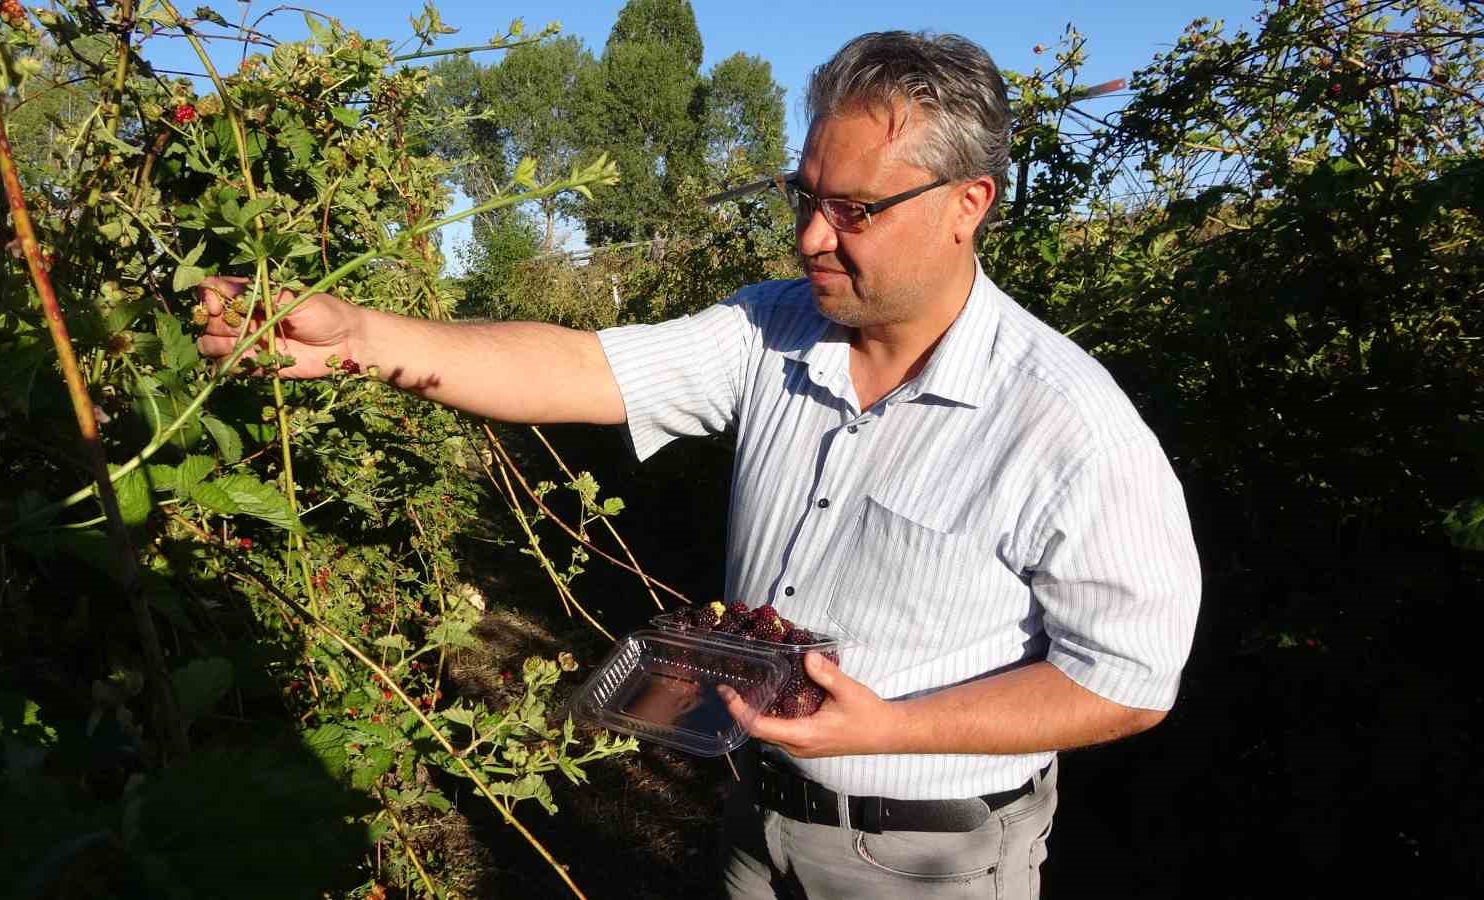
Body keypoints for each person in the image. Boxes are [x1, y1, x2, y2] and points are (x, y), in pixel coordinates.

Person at [196, 30, 1200, 899]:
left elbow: (1127, 680)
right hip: (753, 817)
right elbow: (577, 366)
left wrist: (885, 728)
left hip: (928, 859)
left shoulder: (1065, 425)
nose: (812, 238)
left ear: (965, 203)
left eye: (854, 212)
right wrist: (356, 337)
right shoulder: (771, 329)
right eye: (804, 197)